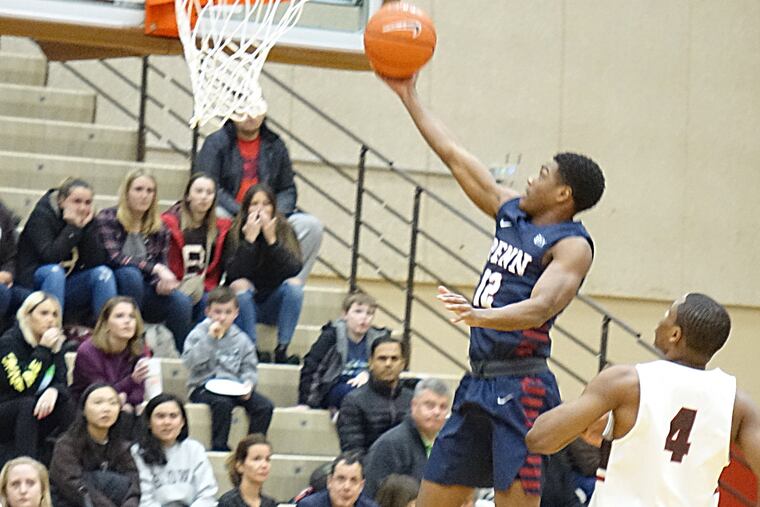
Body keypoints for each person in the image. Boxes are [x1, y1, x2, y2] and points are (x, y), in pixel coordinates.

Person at [381, 75, 605, 507]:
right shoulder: (511, 214)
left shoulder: (572, 245)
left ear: (563, 193)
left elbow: (540, 308)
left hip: (522, 389)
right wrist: (410, 97)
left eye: (542, 175)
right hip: (476, 383)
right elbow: (454, 156)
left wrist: (479, 315)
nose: (530, 181)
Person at [526, 293, 760, 506]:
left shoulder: (625, 382)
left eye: (667, 315)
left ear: (675, 335)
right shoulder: (738, 404)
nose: (659, 323)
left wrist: (583, 425)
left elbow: (539, 439)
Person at [194, 104, 323, 284]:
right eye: (243, 110)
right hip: (232, 213)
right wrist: (244, 213)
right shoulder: (216, 143)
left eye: (255, 109)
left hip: (268, 212)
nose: (250, 115)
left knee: (311, 226)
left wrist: (273, 213)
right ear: (231, 113)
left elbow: (287, 188)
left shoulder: (275, 144)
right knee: (216, 215)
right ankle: (222, 280)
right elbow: (211, 186)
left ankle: (291, 286)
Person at [96, 168, 193, 353]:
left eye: (150, 191)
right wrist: (154, 268)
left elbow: (162, 263)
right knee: (130, 275)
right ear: (126, 192)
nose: (144, 196)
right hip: (116, 287)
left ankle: (185, 356)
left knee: (181, 301)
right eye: (139, 189)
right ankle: (134, 344)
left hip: (146, 291)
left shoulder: (160, 227)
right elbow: (114, 257)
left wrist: (161, 284)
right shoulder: (108, 217)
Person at [181, 286, 274, 451]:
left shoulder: (242, 339)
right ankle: (219, 446)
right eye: (217, 312)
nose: (222, 317)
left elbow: (249, 367)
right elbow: (190, 362)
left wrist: (248, 384)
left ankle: (253, 447)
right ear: (208, 312)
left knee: (265, 406)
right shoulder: (198, 334)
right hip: (202, 386)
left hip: (233, 386)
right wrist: (210, 339)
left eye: (227, 312)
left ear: (236, 313)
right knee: (222, 404)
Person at [15, 178, 117, 321]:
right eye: (76, 201)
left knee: (103, 273)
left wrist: (86, 229)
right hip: (34, 282)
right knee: (54, 272)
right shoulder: (41, 215)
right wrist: (73, 228)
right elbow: (50, 256)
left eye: (88, 203)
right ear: (61, 201)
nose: (82, 208)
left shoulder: (87, 220)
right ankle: (53, 332)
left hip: (68, 283)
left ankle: (107, 334)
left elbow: (95, 261)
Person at [226, 183, 304, 363]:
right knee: (240, 286)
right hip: (245, 303)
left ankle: (282, 349)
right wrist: (249, 242)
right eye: (254, 204)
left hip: (273, 302)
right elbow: (233, 273)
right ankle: (251, 350)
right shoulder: (235, 230)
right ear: (246, 208)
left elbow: (293, 269)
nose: (260, 209)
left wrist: (272, 241)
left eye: (266, 203)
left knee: (295, 286)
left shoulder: (285, 229)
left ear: (274, 207)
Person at [0, 292, 74, 463]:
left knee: (65, 402)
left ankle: (73, 462)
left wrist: (54, 390)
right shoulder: (8, 343)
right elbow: (20, 386)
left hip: (32, 414)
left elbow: (62, 381)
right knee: (27, 404)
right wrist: (43, 350)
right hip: (7, 411)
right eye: (44, 313)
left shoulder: (55, 345)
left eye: (55, 314)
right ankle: (27, 467)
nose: (51, 320)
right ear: (27, 315)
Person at [70, 296, 150, 439]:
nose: (127, 321)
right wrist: (131, 381)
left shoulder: (140, 348)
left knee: (150, 413)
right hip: (86, 407)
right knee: (123, 412)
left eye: (132, 317)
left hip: (124, 405)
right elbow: (101, 394)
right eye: (119, 316)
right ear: (106, 324)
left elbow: (139, 393)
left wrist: (129, 399)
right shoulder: (88, 351)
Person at [49, 383, 140, 507]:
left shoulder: (121, 445)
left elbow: (134, 479)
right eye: (98, 403)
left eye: (113, 403)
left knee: (121, 483)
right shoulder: (66, 444)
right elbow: (71, 485)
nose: (106, 409)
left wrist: (131, 503)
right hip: (73, 503)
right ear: (84, 410)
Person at [298, 291, 391, 410]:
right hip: (336, 386)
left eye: (370, 313)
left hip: (369, 386)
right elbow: (312, 367)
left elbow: (387, 369)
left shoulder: (378, 339)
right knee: (353, 394)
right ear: (345, 315)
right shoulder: (332, 336)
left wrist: (368, 375)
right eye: (358, 311)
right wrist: (306, 402)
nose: (364, 317)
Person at [161, 173, 234, 322]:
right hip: (173, 285)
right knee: (181, 301)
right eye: (199, 191)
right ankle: (183, 345)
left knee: (212, 303)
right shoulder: (168, 223)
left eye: (209, 192)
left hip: (203, 286)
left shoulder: (222, 228)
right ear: (188, 196)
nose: (204, 197)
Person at [364, 379, 451, 497]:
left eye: (443, 407)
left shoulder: (449, 445)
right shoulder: (389, 445)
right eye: (430, 405)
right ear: (414, 405)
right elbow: (371, 496)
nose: (437, 412)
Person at [131, 393, 218, 507]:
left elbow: (207, 494)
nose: (167, 422)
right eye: (160, 416)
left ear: (182, 422)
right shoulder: (138, 452)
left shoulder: (195, 449)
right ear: (148, 422)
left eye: (173, 416)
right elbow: (144, 500)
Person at [337, 337, 412, 454]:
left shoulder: (413, 400)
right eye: (382, 358)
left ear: (403, 363)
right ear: (370, 362)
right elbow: (353, 450)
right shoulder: (353, 401)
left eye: (394, 359)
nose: (388, 364)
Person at [296, 452, 378, 507]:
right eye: (341, 479)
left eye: (353, 480)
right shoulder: (309, 505)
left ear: (361, 486)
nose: (346, 487)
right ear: (329, 481)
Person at [218, 433, 278, 507]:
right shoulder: (228, 502)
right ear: (240, 466)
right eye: (256, 459)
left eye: (267, 459)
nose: (264, 465)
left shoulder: (271, 503)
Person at [0, 199, 30, 332]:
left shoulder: (2, 213)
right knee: (2, 293)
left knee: (33, 301)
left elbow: (10, 256)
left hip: (2, 281)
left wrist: (8, 273)